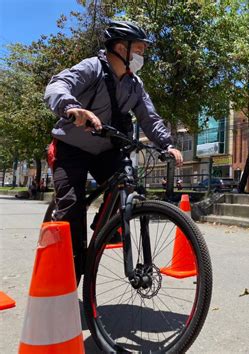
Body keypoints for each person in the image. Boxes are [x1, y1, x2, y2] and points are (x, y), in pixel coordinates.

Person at [44, 20, 183, 277]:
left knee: (128, 185)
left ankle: (107, 228)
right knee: (71, 207)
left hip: (106, 149)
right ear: (120, 47)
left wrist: (168, 144)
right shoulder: (92, 68)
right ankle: (68, 271)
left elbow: (149, 118)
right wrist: (72, 107)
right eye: (138, 50)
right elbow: (57, 85)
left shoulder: (134, 84)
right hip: (71, 147)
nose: (142, 56)